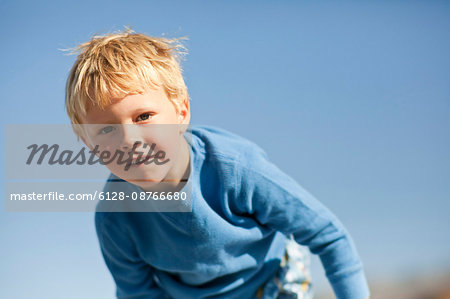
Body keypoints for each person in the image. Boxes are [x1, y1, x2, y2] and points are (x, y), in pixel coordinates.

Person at [64, 28, 370, 299]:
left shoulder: (234, 170)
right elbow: (138, 292)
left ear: (182, 112)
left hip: (272, 279)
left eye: (143, 117)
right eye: (106, 130)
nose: (128, 140)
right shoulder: (115, 217)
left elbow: (329, 236)